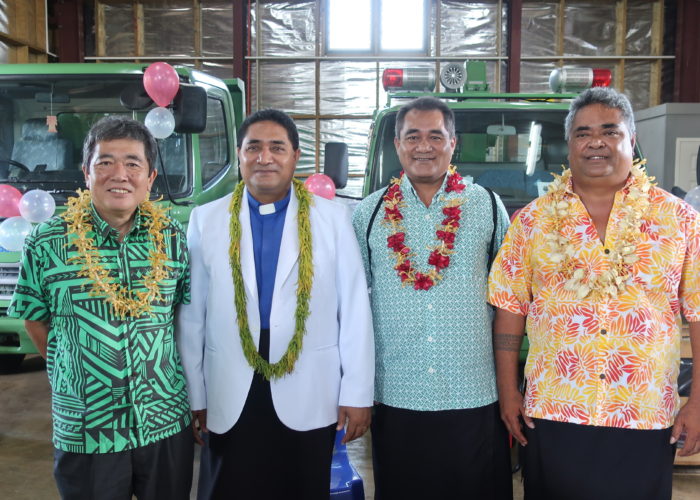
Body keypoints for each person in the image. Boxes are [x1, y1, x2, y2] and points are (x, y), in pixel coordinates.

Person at [488, 86, 700, 500]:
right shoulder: (532, 222)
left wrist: (698, 402)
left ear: (631, 139)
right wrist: (509, 391)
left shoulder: (679, 219)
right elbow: (510, 309)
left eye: (610, 130)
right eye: (583, 133)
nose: (596, 142)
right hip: (554, 410)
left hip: (642, 412)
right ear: (569, 145)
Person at [175, 108, 374, 500]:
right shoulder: (206, 219)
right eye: (254, 147)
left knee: (300, 487)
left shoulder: (332, 219)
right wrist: (195, 394)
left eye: (277, 148)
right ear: (239, 154)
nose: (264, 158)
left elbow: (353, 309)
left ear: (295, 157)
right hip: (230, 384)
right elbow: (191, 316)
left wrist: (356, 392)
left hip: (309, 383)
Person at [8, 115, 193, 499]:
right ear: (86, 173)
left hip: (162, 422)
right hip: (87, 426)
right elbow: (34, 319)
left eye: (132, 163)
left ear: (151, 177)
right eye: (105, 162)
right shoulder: (47, 242)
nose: (119, 174)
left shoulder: (173, 239)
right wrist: (76, 370)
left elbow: (181, 319)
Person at [352, 96, 513, 499]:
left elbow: (509, 297)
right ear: (397, 144)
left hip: (472, 392)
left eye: (435, 136)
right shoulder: (368, 214)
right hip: (397, 392)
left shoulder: (488, 207)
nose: (424, 146)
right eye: (413, 136)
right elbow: (355, 305)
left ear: (453, 143)